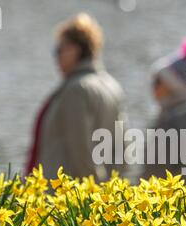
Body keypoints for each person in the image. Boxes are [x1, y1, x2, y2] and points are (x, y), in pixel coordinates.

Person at [26, 13, 125, 181]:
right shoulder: (112, 86)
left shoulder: (76, 90)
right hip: (103, 193)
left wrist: (93, 192)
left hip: (65, 196)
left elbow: (81, 150)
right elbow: (123, 148)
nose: (56, 57)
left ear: (75, 49)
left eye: (59, 50)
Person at [142, 37, 186, 183]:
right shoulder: (175, 113)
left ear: (171, 86)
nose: (153, 88)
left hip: (168, 197)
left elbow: (180, 170)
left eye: (157, 82)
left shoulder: (183, 119)